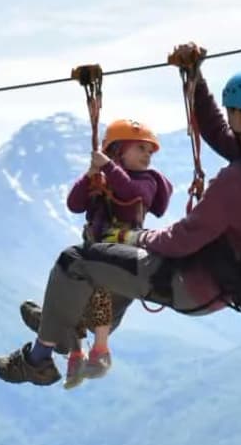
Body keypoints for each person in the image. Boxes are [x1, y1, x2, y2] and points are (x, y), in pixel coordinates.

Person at [0, 43, 241, 387]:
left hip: (191, 282)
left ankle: (38, 360)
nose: (228, 123)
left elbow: (181, 241)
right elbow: (216, 132)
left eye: (231, 115)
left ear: (239, 117)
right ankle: (64, 326)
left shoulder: (237, 180)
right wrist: (194, 78)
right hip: (225, 285)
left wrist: (134, 237)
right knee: (109, 269)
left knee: (74, 261)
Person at [58, 118, 171, 387]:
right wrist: (90, 175)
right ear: (119, 149)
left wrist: (107, 166)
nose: (148, 156)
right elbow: (74, 204)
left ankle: (99, 350)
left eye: (149, 151)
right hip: (97, 248)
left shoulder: (148, 182)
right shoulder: (102, 179)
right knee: (75, 293)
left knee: (101, 294)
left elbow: (132, 193)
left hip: (124, 252)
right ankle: (76, 354)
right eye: (141, 148)